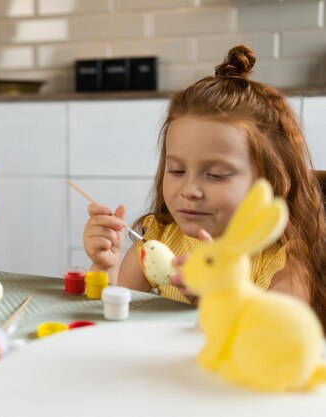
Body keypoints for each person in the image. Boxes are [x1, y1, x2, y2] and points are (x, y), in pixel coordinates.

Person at [83, 45, 326, 328]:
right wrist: (105, 265)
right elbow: (113, 322)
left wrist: (220, 299)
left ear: (269, 183)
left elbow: (277, 347)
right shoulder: (160, 240)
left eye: (216, 175)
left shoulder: (282, 261)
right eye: (177, 170)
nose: (189, 190)